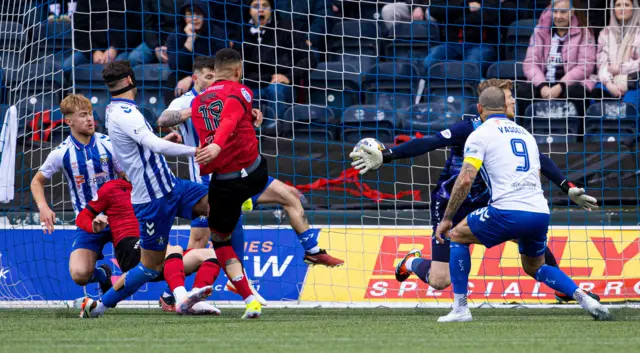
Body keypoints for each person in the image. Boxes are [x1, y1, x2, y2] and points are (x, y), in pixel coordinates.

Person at [350, 79, 600, 303]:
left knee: (530, 238)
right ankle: (412, 262)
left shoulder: (512, 130)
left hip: (487, 202)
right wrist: (388, 155)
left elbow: (540, 159)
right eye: (509, 97)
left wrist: (567, 187)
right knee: (439, 280)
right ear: (492, 102)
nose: (513, 101)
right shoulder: (468, 129)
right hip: (451, 202)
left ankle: (566, 289)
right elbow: (430, 142)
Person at [433, 87, 611, 322]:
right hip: (538, 211)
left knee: (456, 235)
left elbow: (466, 178)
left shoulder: (480, 134)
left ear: (479, 109)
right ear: (505, 108)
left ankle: (460, 309)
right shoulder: (525, 134)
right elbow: (536, 175)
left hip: (507, 210)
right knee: (534, 267)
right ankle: (584, 298)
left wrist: (446, 217)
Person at [192, 49, 343, 319]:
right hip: (252, 174)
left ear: (213, 73)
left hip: (222, 183)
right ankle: (310, 249)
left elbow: (226, 121)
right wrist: (219, 143)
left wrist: (245, 120)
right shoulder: (242, 91)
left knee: (220, 241)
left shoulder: (196, 104)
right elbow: (227, 119)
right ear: (238, 71)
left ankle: (251, 295)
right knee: (290, 197)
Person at [79, 61, 211, 318]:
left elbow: (145, 146)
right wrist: (195, 151)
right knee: (150, 267)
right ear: (130, 79)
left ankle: (224, 289)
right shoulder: (124, 114)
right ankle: (100, 306)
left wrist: (162, 141)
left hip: (172, 186)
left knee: (223, 205)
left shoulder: (119, 110)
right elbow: (155, 146)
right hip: (153, 200)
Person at [157, 55, 267, 309]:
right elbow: (162, 120)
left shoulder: (227, 95)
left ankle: (239, 287)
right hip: (202, 183)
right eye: (206, 77)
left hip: (228, 174)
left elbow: (232, 120)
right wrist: (189, 111)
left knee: (228, 230)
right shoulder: (187, 101)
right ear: (195, 78)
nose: (211, 81)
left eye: (213, 76)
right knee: (199, 242)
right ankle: (172, 292)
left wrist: (249, 115)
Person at [76, 179, 221, 316]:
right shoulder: (112, 188)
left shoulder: (160, 187)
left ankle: (194, 302)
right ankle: (181, 296)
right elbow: (82, 217)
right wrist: (93, 225)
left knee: (212, 254)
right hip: (128, 247)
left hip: (160, 252)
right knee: (173, 249)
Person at [30, 94, 124, 295]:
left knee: (137, 265)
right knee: (79, 275)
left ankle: (167, 294)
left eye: (90, 114)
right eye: (83, 115)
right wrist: (43, 207)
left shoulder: (108, 144)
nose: (90, 119)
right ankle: (101, 275)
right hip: (88, 222)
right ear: (68, 121)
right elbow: (36, 181)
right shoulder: (61, 152)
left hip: (118, 219)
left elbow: (126, 179)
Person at [239, 0, 316, 119]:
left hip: (279, 85)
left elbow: (308, 58)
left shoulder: (286, 28)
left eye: (265, 6)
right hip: (252, 82)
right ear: (249, 10)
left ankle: (275, 129)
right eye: (256, 6)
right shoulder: (242, 33)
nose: (261, 9)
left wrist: (288, 77)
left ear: (271, 9)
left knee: (274, 90)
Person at [519, 0, 596, 117]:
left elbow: (586, 66)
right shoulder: (539, 31)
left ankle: (578, 133)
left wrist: (561, 85)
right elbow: (530, 63)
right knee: (523, 91)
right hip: (543, 85)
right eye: (555, 12)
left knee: (577, 92)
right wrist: (542, 86)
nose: (558, 16)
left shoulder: (584, 33)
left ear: (572, 12)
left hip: (568, 85)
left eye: (563, 12)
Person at [165, 0, 226, 104]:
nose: (194, 18)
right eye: (190, 14)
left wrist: (193, 78)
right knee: (173, 80)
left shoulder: (217, 34)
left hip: (211, 76)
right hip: (183, 78)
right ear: (184, 17)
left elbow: (219, 64)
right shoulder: (175, 35)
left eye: (198, 14)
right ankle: (176, 117)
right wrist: (190, 40)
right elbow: (174, 65)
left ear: (204, 16)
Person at [423, 0, 500, 74]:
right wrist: (465, 6)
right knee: (429, 62)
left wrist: (456, 18)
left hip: (481, 44)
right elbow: (434, 9)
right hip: (451, 44)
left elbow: (490, 14)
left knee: (469, 67)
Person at [592, 0, 640, 104]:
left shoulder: (638, 32)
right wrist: (609, 84)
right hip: (609, 80)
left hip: (633, 82)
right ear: (613, 9)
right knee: (597, 99)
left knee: (630, 103)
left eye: (626, 5)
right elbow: (602, 64)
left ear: (634, 8)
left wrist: (620, 69)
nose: (622, 8)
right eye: (618, 5)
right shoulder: (605, 33)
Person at [127, 0, 177, 67]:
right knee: (134, 59)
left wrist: (170, 44)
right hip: (156, 39)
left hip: (179, 39)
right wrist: (156, 47)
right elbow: (147, 25)